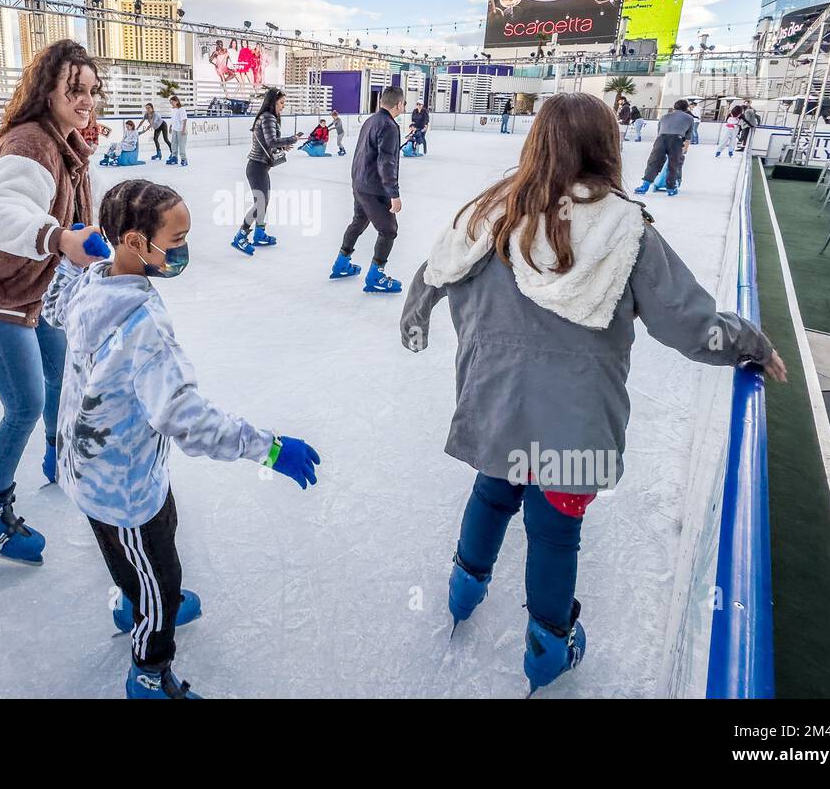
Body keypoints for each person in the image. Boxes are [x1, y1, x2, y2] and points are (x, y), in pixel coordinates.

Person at [399, 92, 786, 694]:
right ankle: (547, 649)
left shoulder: (484, 215)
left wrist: (416, 321)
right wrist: (752, 344)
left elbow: (431, 276)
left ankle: (462, 590)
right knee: (554, 531)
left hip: (493, 408)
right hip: (574, 429)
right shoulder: (624, 230)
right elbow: (691, 326)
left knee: (493, 491)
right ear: (606, 147)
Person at [43, 178, 321, 698]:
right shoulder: (143, 322)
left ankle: (135, 598)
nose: (183, 251)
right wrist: (270, 448)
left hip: (95, 470)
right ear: (132, 241)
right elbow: (184, 416)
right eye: (175, 241)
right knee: (160, 581)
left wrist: (69, 261)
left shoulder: (92, 280)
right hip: (122, 485)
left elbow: (54, 310)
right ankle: (150, 670)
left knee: (135, 544)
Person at [0, 39, 105, 563]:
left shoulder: (63, 141)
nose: (87, 101)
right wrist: (59, 239)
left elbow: (80, 208)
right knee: (24, 405)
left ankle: (58, 457)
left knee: (61, 373)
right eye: (75, 90)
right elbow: (0, 213)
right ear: (47, 91)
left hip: (33, 292)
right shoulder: (29, 144)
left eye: (93, 91)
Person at [330, 86, 405, 292]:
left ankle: (341, 263)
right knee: (389, 230)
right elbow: (386, 162)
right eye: (403, 103)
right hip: (374, 188)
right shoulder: (389, 126)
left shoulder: (371, 120)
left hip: (360, 183)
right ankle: (375, 276)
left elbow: (360, 153)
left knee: (359, 222)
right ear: (399, 104)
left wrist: (356, 181)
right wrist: (394, 194)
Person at [232, 87, 302, 255]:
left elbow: (269, 142)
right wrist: (291, 139)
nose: (283, 106)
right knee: (260, 203)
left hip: (260, 167)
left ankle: (259, 233)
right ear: (273, 102)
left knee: (264, 201)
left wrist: (284, 145)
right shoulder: (268, 117)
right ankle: (241, 236)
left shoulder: (266, 117)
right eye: (281, 103)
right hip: (257, 167)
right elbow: (271, 142)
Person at [633, 99, 693, 196]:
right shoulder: (689, 118)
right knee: (673, 164)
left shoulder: (664, 116)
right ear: (686, 108)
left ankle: (645, 186)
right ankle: (671, 188)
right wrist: (685, 149)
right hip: (676, 140)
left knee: (653, 162)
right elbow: (688, 136)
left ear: (674, 107)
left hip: (661, 139)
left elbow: (659, 131)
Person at [167, 96, 189, 167]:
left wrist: (183, 130)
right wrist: (170, 127)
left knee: (181, 145)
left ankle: (184, 159)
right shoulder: (173, 109)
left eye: (172, 102)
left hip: (181, 130)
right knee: (173, 144)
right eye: (171, 102)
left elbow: (185, 120)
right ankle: (174, 157)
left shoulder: (181, 109)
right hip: (174, 129)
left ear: (176, 101)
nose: (171, 104)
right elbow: (172, 119)